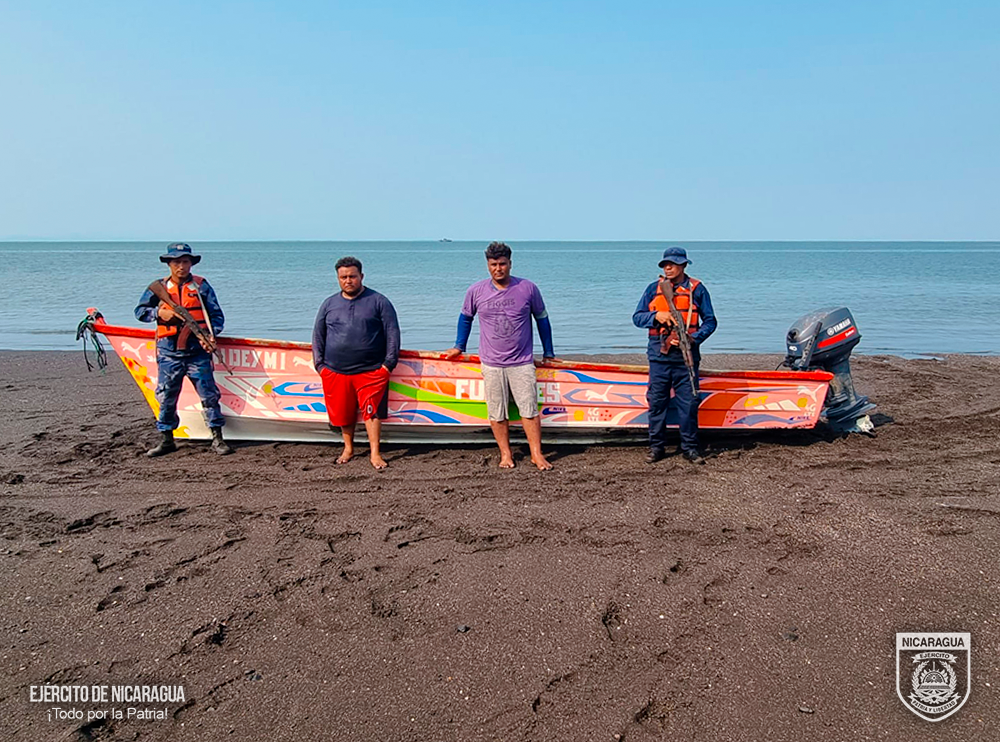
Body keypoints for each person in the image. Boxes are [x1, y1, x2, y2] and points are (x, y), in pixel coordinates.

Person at [444, 242, 556, 470]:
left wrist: (549, 352)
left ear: (510, 264)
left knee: (529, 409)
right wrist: (459, 346)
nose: (498, 269)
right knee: (497, 411)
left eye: (502, 264)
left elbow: (542, 319)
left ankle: (536, 454)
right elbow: (465, 318)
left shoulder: (528, 288)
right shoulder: (476, 291)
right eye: (494, 264)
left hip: (522, 362)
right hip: (491, 362)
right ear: (487, 265)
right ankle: (506, 454)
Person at [135, 242, 233, 457]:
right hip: (169, 354)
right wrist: (160, 315)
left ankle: (217, 438)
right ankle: (167, 439)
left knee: (209, 395)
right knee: (166, 396)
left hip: (197, 353)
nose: (181, 266)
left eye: (185, 261)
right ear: (169, 264)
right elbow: (140, 312)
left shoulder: (201, 286)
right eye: (177, 262)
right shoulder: (158, 287)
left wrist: (210, 335)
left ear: (191, 263)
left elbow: (216, 316)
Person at [632, 246, 717, 464]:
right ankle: (656, 448)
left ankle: (690, 448)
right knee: (657, 403)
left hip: (686, 358)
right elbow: (637, 318)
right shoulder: (653, 289)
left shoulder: (698, 289)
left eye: (673, 264)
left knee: (688, 405)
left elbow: (710, 321)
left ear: (683, 265)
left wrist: (692, 339)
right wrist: (656, 316)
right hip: (659, 357)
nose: (668, 268)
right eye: (665, 264)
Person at [313, 256, 400, 470]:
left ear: (361, 276)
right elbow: (318, 334)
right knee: (343, 413)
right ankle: (348, 448)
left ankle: (375, 454)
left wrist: (388, 365)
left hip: (371, 370)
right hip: (335, 369)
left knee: (372, 412)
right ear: (338, 278)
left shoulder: (379, 301)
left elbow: (392, 333)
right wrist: (320, 365)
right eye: (343, 277)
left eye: (352, 276)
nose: (348, 281)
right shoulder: (329, 304)